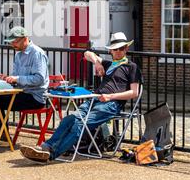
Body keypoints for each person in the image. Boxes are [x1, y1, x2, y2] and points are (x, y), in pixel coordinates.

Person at [20, 32, 140, 163]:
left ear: (126, 49)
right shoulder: (108, 64)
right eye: (115, 49)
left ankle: (51, 153)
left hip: (111, 104)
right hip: (94, 99)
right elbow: (87, 53)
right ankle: (46, 147)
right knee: (69, 119)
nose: (118, 52)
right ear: (110, 50)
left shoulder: (131, 67)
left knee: (79, 123)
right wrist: (97, 63)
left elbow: (134, 92)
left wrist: (110, 96)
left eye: (121, 48)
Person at [0, 26, 49, 138]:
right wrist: (8, 78)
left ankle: (4, 136)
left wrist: (17, 79)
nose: (12, 45)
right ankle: (3, 135)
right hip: (22, 92)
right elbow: (17, 78)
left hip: (35, 97)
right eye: (11, 42)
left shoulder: (37, 53)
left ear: (25, 39)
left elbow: (39, 79)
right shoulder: (18, 55)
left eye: (14, 42)